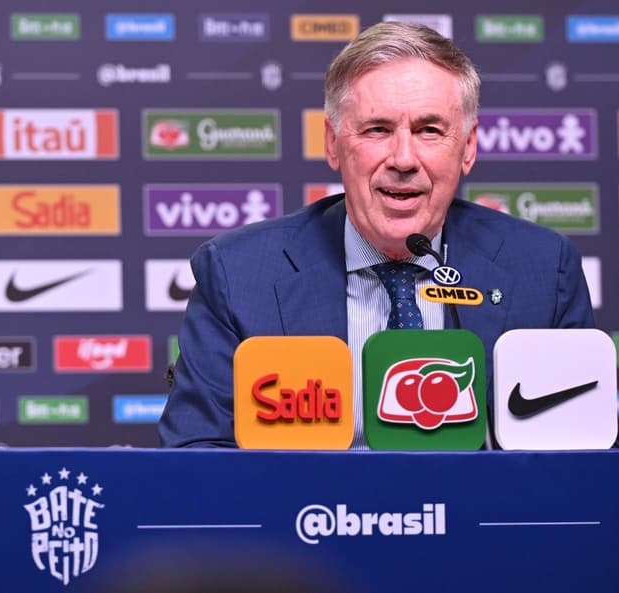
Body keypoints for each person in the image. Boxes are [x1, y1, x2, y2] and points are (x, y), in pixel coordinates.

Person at [159, 21, 594, 448]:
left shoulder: (543, 270)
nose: (403, 158)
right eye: (378, 130)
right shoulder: (238, 275)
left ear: (469, 146)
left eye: (429, 130)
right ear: (332, 143)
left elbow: (583, 467)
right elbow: (196, 462)